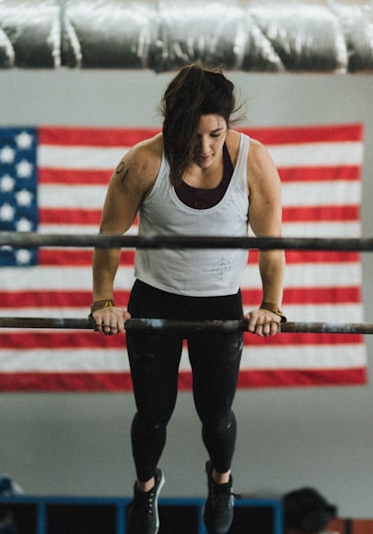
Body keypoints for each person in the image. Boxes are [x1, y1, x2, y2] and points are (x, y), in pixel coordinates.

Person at [91, 62, 286, 534]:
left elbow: (270, 246)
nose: (205, 148)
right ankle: (145, 487)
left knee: (215, 415)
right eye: (193, 136)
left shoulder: (253, 162)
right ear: (171, 125)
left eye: (215, 135)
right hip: (154, 300)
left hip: (219, 302)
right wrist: (103, 302)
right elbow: (108, 240)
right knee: (153, 414)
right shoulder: (141, 163)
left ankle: (220, 482)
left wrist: (271, 305)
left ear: (227, 125)